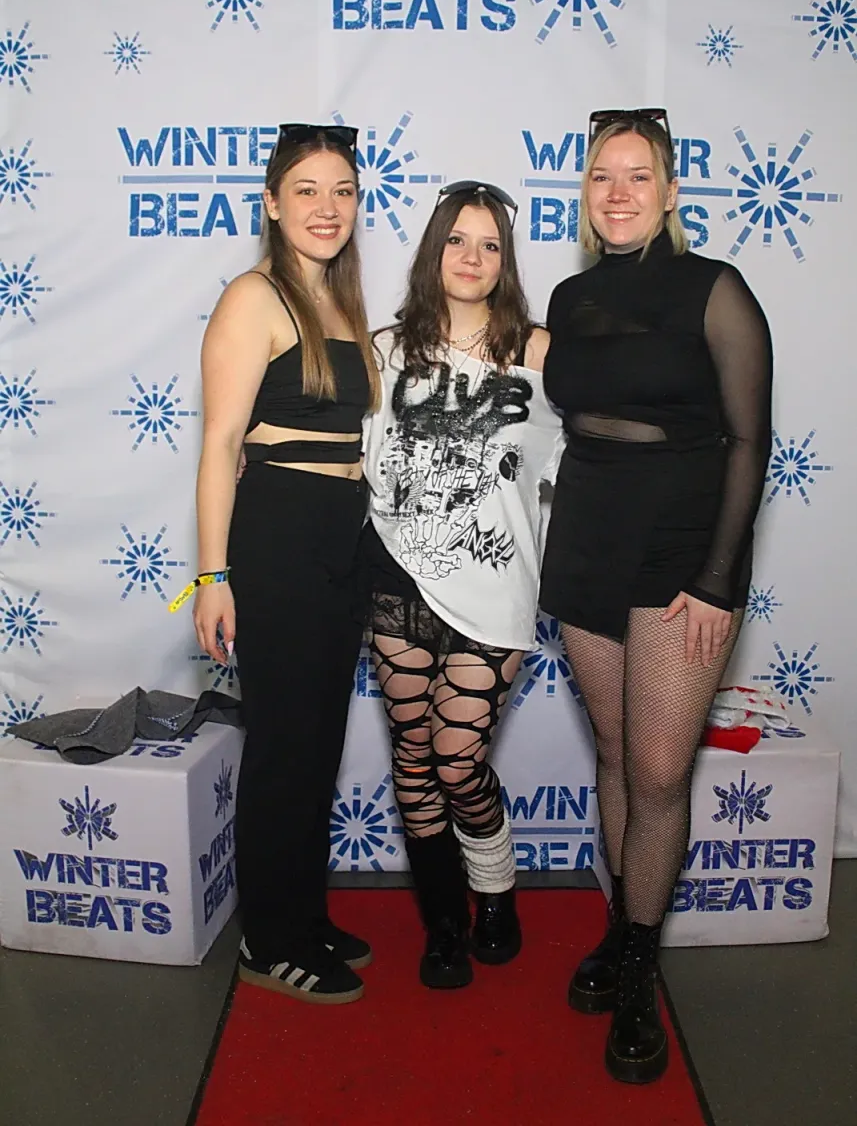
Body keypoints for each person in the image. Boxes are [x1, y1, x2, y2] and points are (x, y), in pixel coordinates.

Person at [540, 109, 773, 1082]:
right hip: (585, 540)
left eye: (638, 175)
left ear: (671, 191)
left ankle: (638, 967)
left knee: (658, 770)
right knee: (611, 752)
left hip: (679, 550)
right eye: (603, 175)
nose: (618, 192)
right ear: (584, 192)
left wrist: (716, 579)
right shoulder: (569, 295)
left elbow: (749, 440)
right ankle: (619, 927)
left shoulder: (715, 289)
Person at [192, 123, 381, 1005]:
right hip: (277, 536)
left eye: (341, 190)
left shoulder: (340, 302)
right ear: (271, 202)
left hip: (342, 536)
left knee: (317, 744)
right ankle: (268, 942)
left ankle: (303, 913)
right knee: (281, 746)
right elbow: (220, 441)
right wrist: (212, 576)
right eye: (306, 189)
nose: (326, 207)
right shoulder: (253, 297)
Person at [361, 181, 564, 988]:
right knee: (414, 763)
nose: (471, 257)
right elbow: (340, 450)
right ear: (432, 250)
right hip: (398, 580)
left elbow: (598, 457)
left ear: (505, 261)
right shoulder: (383, 350)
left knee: (456, 764)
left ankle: (496, 891)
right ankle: (444, 924)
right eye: (456, 240)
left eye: (489, 245)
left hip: (496, 586)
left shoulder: (541, 354)